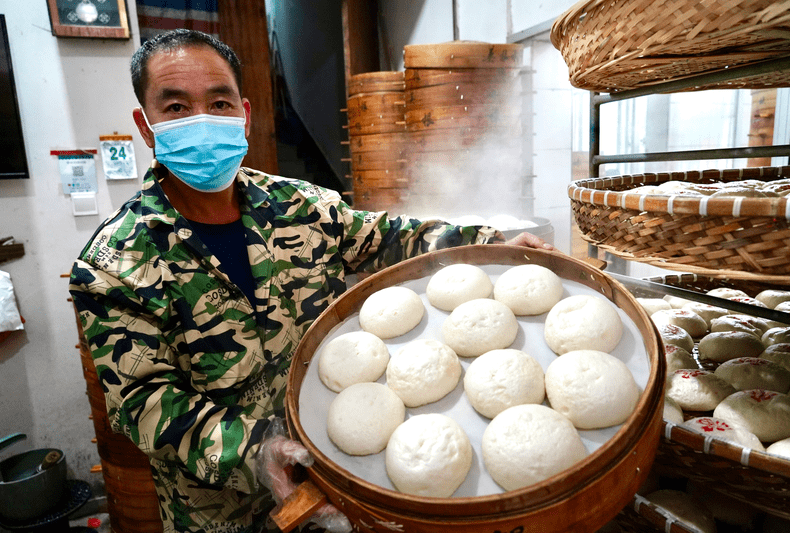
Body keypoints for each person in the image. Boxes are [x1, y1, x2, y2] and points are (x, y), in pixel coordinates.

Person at [68, 29, 552, 533]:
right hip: (215, 511)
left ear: (245, 114)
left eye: (219, 102)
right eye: (175, 108)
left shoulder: (301, 208)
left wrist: (489, 243)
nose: (203, 121)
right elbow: (145, 404)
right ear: (145, 126)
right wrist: (260, 451)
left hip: (339, 475)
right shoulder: (114, 264)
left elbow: (388, 238)